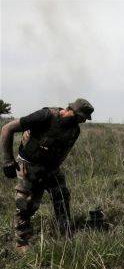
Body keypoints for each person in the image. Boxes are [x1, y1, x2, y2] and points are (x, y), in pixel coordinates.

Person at [1, 98, 94, 253]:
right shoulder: (45, 116)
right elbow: (7, 129)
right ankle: (21, 241)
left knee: (62, 195)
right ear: (71, 111)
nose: (83, 121)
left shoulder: (74, 130)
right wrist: (8, 161)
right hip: (29, 164)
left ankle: (64, 232)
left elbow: (63, 151)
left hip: (50, 167)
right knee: (26, 203)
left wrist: (51, 171)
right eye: (81, 117)